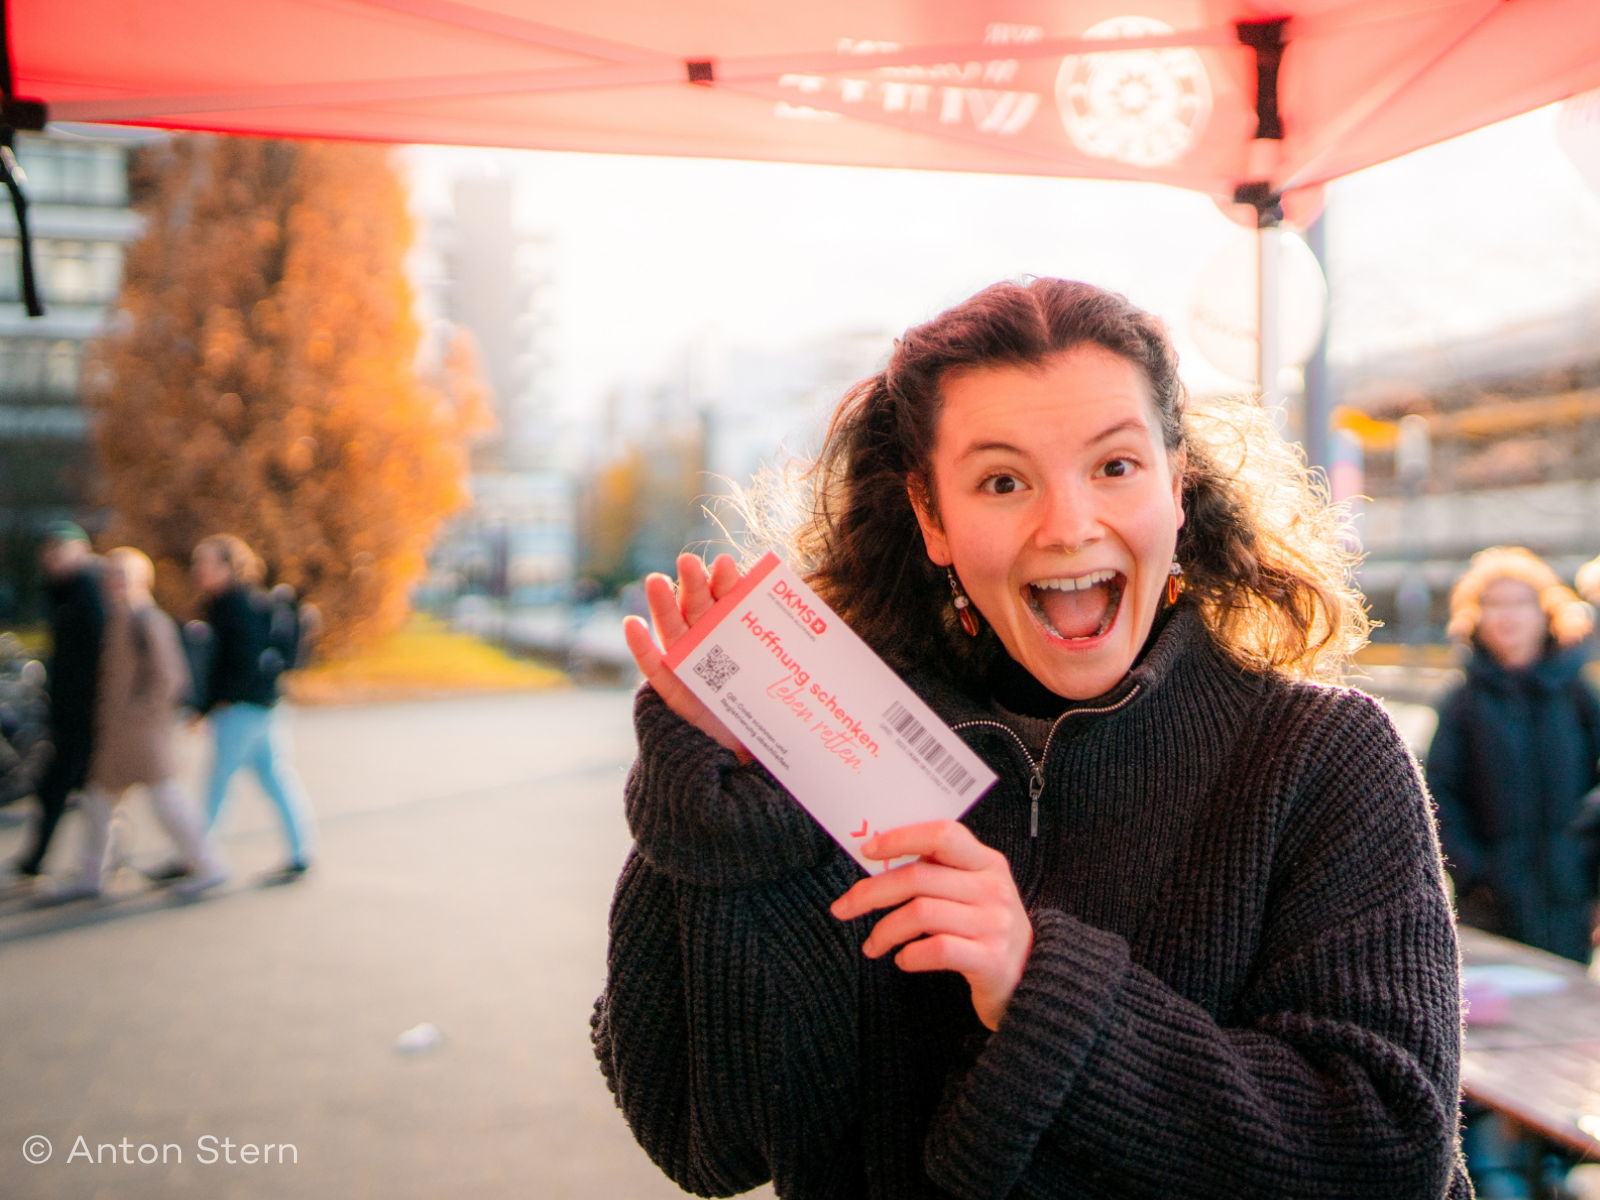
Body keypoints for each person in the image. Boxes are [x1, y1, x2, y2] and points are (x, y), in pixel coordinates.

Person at [595, 280, 1468, 1198]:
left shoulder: (1321, 757)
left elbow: (1384, 1149)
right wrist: (725, 825)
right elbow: (708, 1144)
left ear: (1178, 486)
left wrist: (1038, 987)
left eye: (1115, 467)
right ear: (933, 517)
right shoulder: (833, 749)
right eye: (1002, 481)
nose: (1068, 526)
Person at [1427, 547, 1598, 963]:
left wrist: (1587, 869)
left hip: (1568, 899)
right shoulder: (1461, 703)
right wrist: (1475, 874)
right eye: (1493, 604)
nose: (1507, 616)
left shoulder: (1577, 695)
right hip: (1489, 906)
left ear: (1546, 614)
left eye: (1521, 603)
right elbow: (1436, 797)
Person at [51, 548, 228, 903]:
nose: (115, 581)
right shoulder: (120, 617)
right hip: (118, 732)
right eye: (111, 574)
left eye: (124, 574)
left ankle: (209, 865)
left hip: (139, 731)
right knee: (99, 804)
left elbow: (170, 678)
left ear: (142, 579)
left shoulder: (146, 619)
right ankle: (92, 873)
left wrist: (138, 713)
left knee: (166, 798)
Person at [191, 534, 316, 885]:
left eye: (207, 563)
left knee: (218, 785)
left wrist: (208, 704)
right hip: (266, 705)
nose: (198, 571)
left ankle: (201, 859)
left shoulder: (232, 605)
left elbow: (233, 663)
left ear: (230, 566)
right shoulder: (253, 601)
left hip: (241, 709)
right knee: (276, 779)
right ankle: (299, 851)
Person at [5, 522, 104, 888]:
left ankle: (84, 863)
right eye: (47, 552)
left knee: (84, 788)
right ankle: (55, 860)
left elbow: (96, 655)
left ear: (82, 551)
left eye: (58, 551)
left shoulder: (88, 593)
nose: (50, 559)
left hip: (84, 711)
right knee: (76, 789)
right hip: (70, 710)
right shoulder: (63, 593)